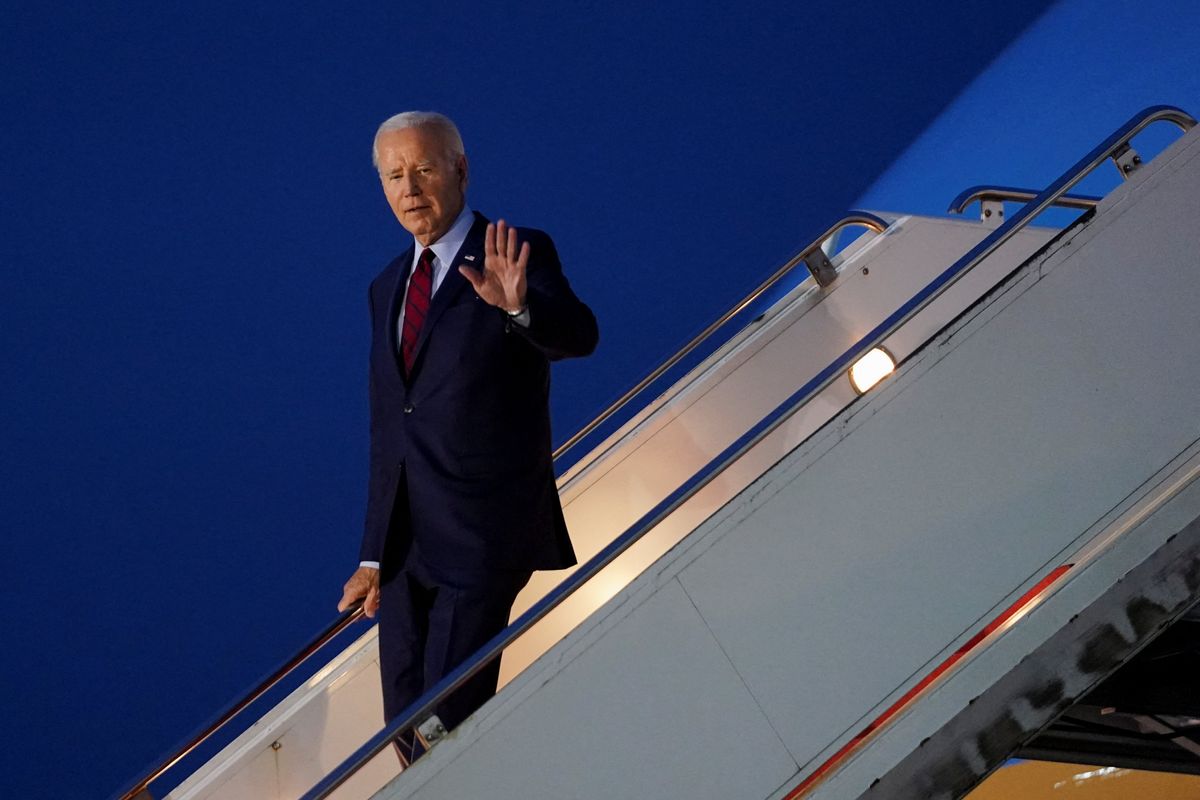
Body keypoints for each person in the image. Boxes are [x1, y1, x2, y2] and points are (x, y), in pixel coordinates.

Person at [337, 111, 598, 759]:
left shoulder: (514, 248)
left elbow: (577, 337)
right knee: (404, 727)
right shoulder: (384, 287)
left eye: (423, 168)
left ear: (460, 169)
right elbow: (389, 427)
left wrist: (516, 306)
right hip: (404, 549)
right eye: (394, 175)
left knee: (445, 719)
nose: (409, 187)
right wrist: (373, 555)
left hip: (483, 531)